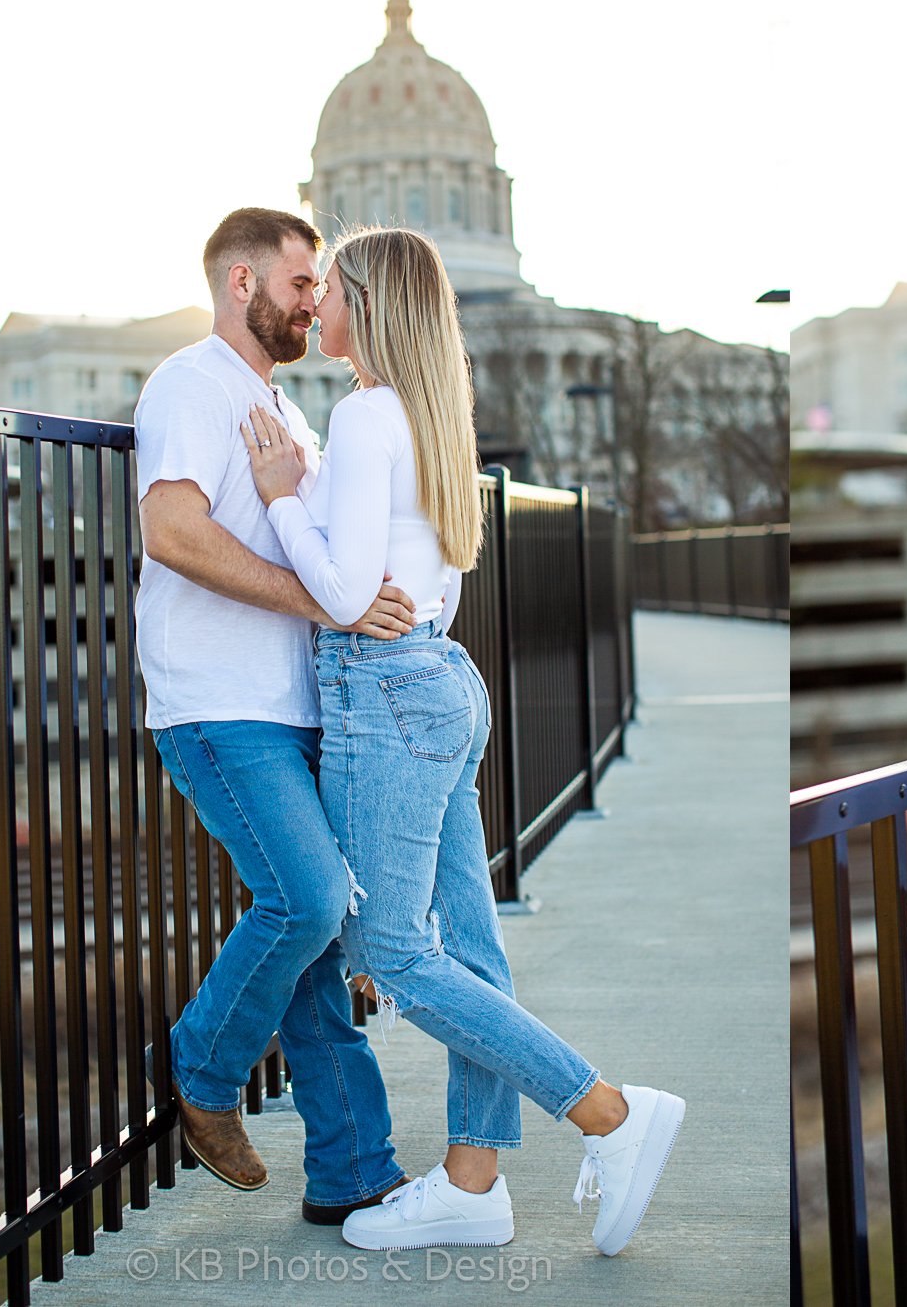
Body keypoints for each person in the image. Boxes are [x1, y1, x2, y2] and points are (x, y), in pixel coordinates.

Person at [239, 224, 683, 1256]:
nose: (316, 307)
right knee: (469, 950)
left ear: (371, 304)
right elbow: (403, 572)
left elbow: (346, 592)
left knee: (384, 945)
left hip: (385, 694)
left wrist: (279, 502)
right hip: (439, 679)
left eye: (333, 290)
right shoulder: (431, 413)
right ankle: (475, 1182)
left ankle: (607, 1114)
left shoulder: (363, 416)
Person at [134, 206, 424, 1224]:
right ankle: (203, 1068)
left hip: (298, 704)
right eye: (303, 283)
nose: (316, 300)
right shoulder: (190, 384)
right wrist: (324, 602)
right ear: (241, 283)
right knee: (304, 899)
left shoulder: (287, 409)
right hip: (217, 701)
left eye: (319, 287)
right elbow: (172, 532)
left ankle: (353, 1171)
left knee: (324, 928)